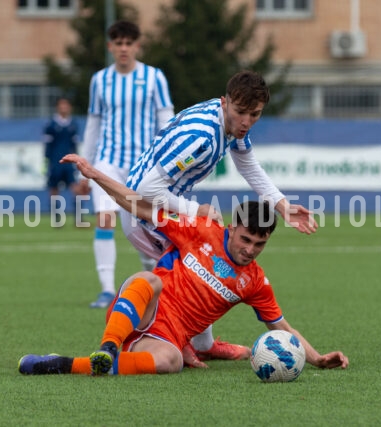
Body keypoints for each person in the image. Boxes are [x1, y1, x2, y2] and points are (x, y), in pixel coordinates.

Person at [18, 154, 349, 376]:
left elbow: (282, 328)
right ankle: (108, 345)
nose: (250, 250)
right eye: (245, 239)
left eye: (259, 244)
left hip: (165, 338)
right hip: (140, 309)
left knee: (171, 362)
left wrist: (318, 358)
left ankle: (64, 364)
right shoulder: (199, 230)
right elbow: (138, 205)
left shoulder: (255, 283)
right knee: (150, 279)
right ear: (232, 227)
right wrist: (93, 175)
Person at [119, 70, 318, 365]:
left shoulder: (229, 121)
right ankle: (178, 341)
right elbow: (146, 188)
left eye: (255, 115)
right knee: (201, 258)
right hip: (143, 208)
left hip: (160, 202)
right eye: (241, 113)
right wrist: (193, 209)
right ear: (225, 103)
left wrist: (281, 205)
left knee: (206, 253)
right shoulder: (202, 137)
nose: (247, 122)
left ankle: (200, 343)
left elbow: (247, 164)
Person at [80, 20, 174, 309]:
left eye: (128, 43)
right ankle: (107, 290)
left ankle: (153, 284)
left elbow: (166, 118)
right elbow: (93, 124)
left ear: (137, 45)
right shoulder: (100, 80)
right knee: (105, 218)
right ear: (111, 47)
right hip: (107, 162)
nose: (123, 48)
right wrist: (84, 165)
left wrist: (168, 160)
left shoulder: (154, 77)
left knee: (147, 228)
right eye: (118, 43)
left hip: (143, 168)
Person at [43, 97, 81, 208]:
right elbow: (48, 145)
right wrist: (47, 161)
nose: (64, 108)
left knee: (75, 187)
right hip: (55, 162)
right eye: (61, 105)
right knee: (54, 188)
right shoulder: (51, 125)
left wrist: (76, 160)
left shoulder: (73, 124)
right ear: (57, 108)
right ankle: (56, 215)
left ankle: (78, 215)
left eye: (66, 105)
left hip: (69, 163)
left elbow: (74, 145)